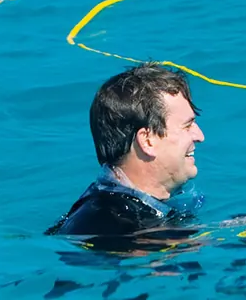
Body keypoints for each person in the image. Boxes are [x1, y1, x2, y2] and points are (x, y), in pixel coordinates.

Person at [45, 61, 208, 238]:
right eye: (187, 126)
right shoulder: (115, 227)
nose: (200, 136)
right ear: (148, 141)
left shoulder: (109, 208)